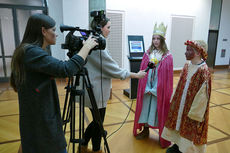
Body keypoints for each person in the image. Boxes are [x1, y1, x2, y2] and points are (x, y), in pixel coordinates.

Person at [10, 13, 98, 153]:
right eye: (54, 30)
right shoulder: (31, 52)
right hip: (42, 120)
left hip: (35, 117)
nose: (56, 34)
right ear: (43, 31)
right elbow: (66, 69)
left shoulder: (27, 51)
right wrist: (86, 48)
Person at [78, 17, 146, 153]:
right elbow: (113, 70)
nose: (109, 30)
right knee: (98, 122)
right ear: (100, 28)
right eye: (108, 27)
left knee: (97, 121)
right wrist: (136, 75)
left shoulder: (90, 41)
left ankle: (84, 143)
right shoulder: (97, 47)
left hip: (91, 88)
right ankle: (95, 148)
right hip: (95, 90)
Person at [161, 40, 211, 153]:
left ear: (198, 52)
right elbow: (180, 84)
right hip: (181, 104)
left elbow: (203, 96)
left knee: (189, 128)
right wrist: (175, 99)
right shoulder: (187, 65)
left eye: (189, 50)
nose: (185, 52)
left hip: (192, 108)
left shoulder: (204, 71)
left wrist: (195, 112)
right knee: (179, 124)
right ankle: (178, 145)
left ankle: (187, 150)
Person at [133, 22, 173, 148]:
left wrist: (155, 89)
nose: (155, 41)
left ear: (163, 40)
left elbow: (166, 77)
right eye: (154, 38)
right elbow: (143, 71)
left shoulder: (167, 56)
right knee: (145, 109)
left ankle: (162, 137)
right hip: (146, 89)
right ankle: (145, 130)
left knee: (157, 111)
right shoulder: (148, 53)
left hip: (157, 90)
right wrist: (146, 88)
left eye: (158, 39)